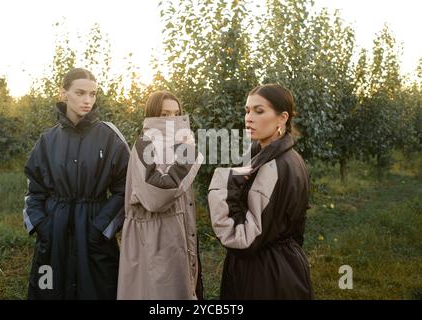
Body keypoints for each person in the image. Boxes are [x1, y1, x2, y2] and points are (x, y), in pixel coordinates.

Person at [23, 67, 130, 299]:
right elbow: (34, 192)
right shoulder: (47, 140)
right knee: (48, 290)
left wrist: (100, 228)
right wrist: (43, 227)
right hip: (54, 236)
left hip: (93, 235)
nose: (87, 100)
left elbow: (126, 190)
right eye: (80, 93)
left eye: (92, 94)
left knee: (99, 292)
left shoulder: (110, 137)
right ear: (64, 93)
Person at [208, 84, 313, 299]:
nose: (249, 118)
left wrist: (222, 184)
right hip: (286, 266)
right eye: (247, 111)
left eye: (259, 111)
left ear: (282, 118)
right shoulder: (289, 157)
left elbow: (245, 239)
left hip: (263, 276)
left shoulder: (271, 166)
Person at [117, 91, 204, 299]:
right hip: (155, 242)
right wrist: (188, 155)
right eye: (165, 114)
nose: (172, 120)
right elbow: (156, 196)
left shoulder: (177, 145)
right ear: (152, 116)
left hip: (178, 235)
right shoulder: (145, 144)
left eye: (176, 114)